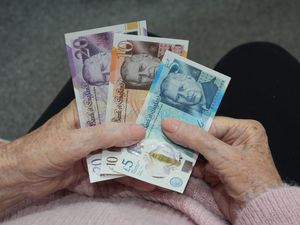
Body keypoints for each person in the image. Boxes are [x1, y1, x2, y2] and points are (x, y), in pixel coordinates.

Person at [1, 41, 300, 225]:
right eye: (180, 93)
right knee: (259, 61)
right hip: (224, 205)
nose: (186, 93)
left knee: (138, 44)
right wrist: (264, 202)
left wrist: (14, 166)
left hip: (50, 185)